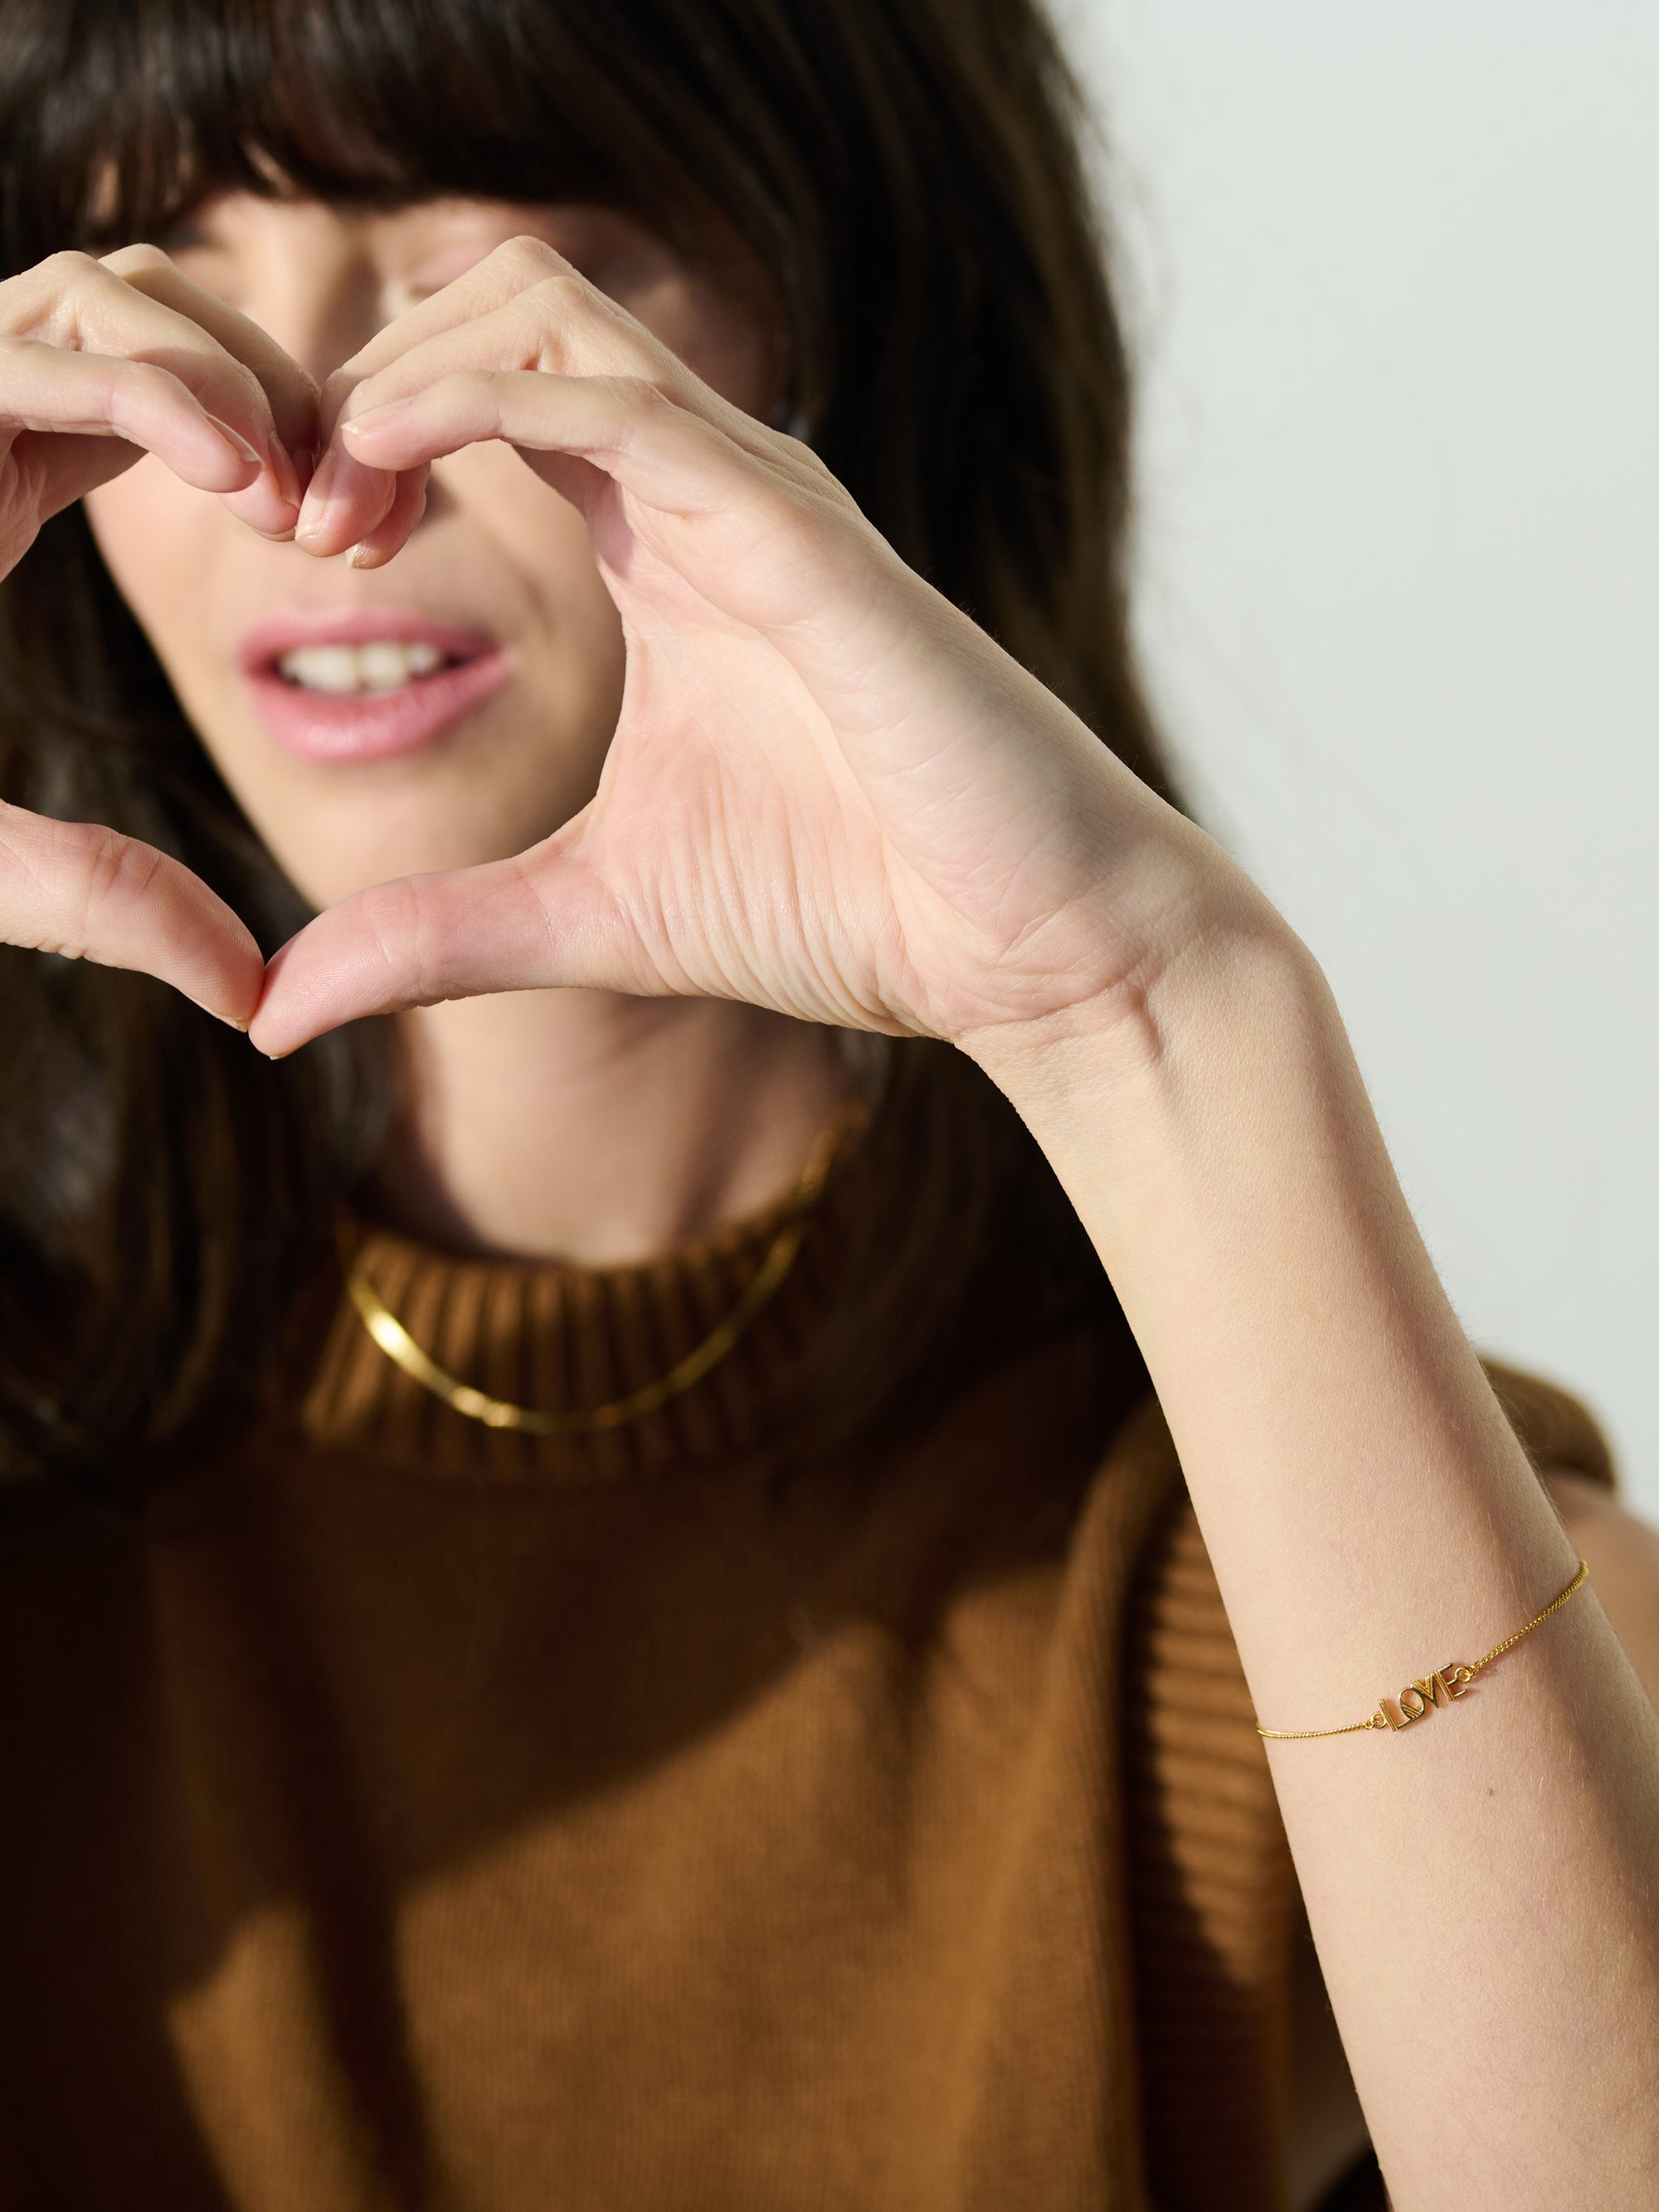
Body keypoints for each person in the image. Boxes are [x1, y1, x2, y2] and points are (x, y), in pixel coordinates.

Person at [0, 0, 1655, 2205]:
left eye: (487, 262)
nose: (299, 477)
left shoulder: (1312, 1555)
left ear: (843, 321)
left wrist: (1158, 1016)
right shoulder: (38, 1486)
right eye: (161, 280)